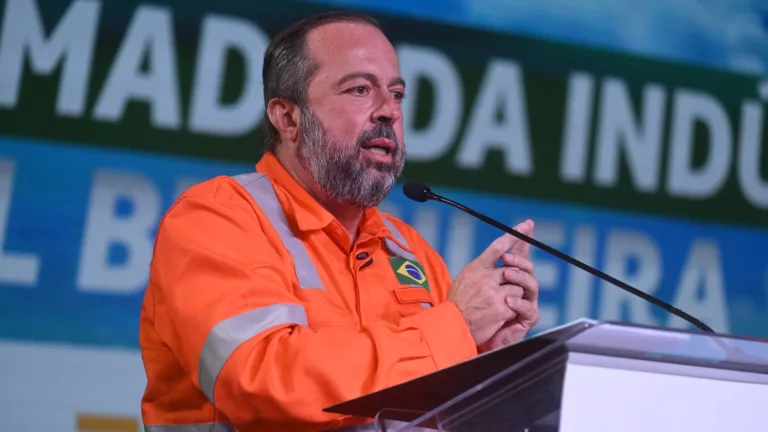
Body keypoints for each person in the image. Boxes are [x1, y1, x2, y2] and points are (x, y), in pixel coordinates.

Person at [138, 10, 540, 432]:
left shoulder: (412, 252)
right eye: (360, 89)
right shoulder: (216, 218)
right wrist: (455, 328)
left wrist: (485, 358)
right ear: (287, 118)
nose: (389, 111)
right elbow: (262, 383)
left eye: (398, 94)